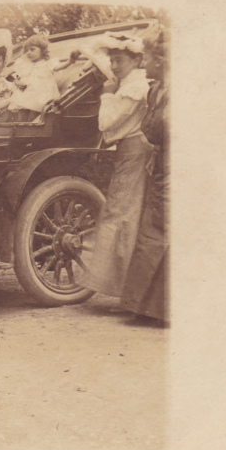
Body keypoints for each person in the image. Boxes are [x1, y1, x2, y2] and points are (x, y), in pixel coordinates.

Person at [82, 33, 154, 299]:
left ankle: (124, 288)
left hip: (134, 152)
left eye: (119, 60)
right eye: (112, 60)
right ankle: (122, 287)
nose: (113, 66)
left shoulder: (133, 87)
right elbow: (91, 50)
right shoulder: (127, 80)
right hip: (130, 151)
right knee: (123, 213)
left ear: (136, 61)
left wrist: (106, 96)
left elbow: (106, 123)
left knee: (121, 214)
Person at [120, 34, 169, 321]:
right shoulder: (154, 92)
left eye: (147, 59)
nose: (144, 63)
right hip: (160, 164)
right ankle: (142, 305)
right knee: (151, 229)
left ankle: (164, 309)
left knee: (167, 227)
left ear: (161, 62)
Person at [7, 34, 59, 122]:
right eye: (26, 50)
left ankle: (31, 134)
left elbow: (58, 67)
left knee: (33, 119)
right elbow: (16, 75)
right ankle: (21, 133)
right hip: (25, 97)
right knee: (21, 119)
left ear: (42, 51)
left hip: (40, 97)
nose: (28, 52)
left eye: (32, 49)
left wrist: (70, 61)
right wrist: (17, 82)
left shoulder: (47, 64)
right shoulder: (25, 65)